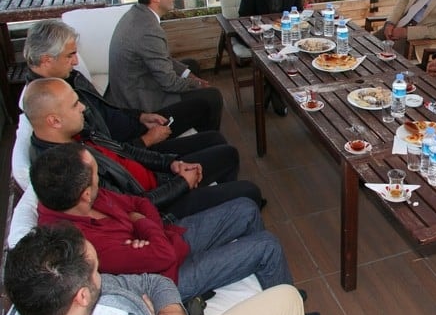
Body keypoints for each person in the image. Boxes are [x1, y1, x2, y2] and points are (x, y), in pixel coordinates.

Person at [29, 143, 321, 315]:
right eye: (95, 175)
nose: (100, 176)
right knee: (268, 246)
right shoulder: (81, 243)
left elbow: (139, 203)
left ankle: (276, 288)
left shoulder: (81, 196)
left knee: (245, 208)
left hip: (168, 241)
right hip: (168, 280)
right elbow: (162, 255)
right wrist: (143, 224)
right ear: (83, 195)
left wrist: (143, 225)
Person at [2, 224, 316, 315]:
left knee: (286, 296)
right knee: (287, 300)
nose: (104, 275)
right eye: (97, 270)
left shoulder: (41, 297)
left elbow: (154, 282)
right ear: (82, 297)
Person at [23, 77, 262, 218]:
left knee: (228, 154)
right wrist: (182, 184)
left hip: (159, 178)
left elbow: (126, 151)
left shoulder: (76, 133)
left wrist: (171, 163)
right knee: (249, 192)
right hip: (158, 206)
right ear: (53, 120)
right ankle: (226, 211)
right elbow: (133, 206)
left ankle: (220, 205)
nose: (83, 108)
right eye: (75, 104)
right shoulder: (66, 169)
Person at [23, 19, 224, 152]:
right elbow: (103, 151)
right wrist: (148, 140)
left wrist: (140, 116)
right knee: (215, 134)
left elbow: (105, 108)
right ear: (47, 60)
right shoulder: (54, 102)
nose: (75, 62)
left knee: (203, 103)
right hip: (137, 148)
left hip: (135, 127)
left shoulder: (67, 77)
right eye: (70, 55)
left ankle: (198, 149)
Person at [108, 0, 223, 131]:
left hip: (137, 84)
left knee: (190, 66)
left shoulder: (138, 14)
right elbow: (169, 83)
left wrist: (188, 75)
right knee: (213, 96)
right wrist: (197, 84)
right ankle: (207, 140)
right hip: (140, 103)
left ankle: (194, 122)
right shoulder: (147, 30)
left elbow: (161, 59)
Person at [238, 0, 303, 116]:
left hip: (285, 30)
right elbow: (244, 14)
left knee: (295, 46)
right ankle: (278, 93)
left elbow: (298, 10)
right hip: (258, 32)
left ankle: (269, 91)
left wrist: (285, 23)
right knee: (273, 49)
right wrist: (268, 25)